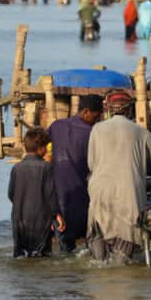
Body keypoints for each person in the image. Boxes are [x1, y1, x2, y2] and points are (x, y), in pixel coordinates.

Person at [86, 90, 151, 264]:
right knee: (126, 236)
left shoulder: (97, 129)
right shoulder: (139, 131)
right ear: (129, 110)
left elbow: (91, 163)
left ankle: (100, 265)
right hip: (129, 192)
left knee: (98, 230)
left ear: (109, 109)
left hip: (100, 190)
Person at [47, 95, 103, 252]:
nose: (97, 120)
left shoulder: (57, 126)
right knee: (88, 239)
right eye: (96, 116)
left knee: (65, 243)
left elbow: (44, 144)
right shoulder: (92, 133)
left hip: (58, 195)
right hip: (81, 194)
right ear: (85, 112)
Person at [7, 128, 66, 257]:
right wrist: (57, 215)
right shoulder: (46, 167)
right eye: (45, 147)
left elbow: (11, 194)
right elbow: (50, 194)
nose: (46, 150)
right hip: (41, 220)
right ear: (40, 148)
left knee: (21, 256)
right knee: (42, 255)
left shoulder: (16, 168)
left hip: (19, 219)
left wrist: (22, 204)